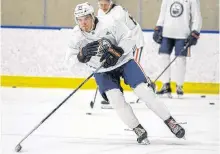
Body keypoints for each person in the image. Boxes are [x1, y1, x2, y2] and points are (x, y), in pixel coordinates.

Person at [65, 2, 185, 144]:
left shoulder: (110, 23)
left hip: (124, 63)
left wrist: (118, 51)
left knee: (144, 92)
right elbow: (70, 64)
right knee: (116, 101)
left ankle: (170, 121)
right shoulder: (75, 36)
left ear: (92, 16)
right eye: (79, 19)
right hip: (103, 71)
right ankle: (137, 128)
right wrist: (80, 56)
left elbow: (129, 37)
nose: (83, 23)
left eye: (86, 18)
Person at [97, 0, 146, 106]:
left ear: (110, 3)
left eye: (106, 4)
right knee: (112, 68)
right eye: (101, 4)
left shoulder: (118, 12)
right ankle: (115, 97)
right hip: (118, 45)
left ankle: (148, 87)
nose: (103, 7)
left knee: (133, 67)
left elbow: (126, 34)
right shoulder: (100, 12)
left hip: (134, 42)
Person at [153, 0, 202, 97]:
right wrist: (158, 27)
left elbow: (197, 17)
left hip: (183, 34)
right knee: (163, 57)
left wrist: (195, 31)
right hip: (166, 33)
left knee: (180, 60)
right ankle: (165, 85)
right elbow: (163, 13)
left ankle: (179, 85)